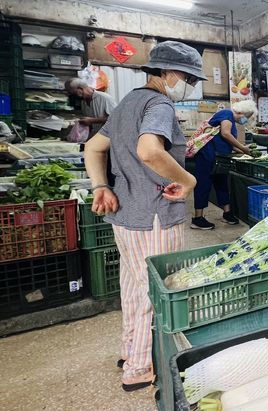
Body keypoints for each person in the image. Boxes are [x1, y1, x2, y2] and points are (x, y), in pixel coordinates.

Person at [84, 41, 204, 392]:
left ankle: (130, 351)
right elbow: (148, 150)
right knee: (158, 290)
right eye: (189, 79)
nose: (190, 87)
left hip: (125, 215)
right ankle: (138, 369)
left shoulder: (128, 102)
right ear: (170, 73)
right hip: (154, 214)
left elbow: (93, 147)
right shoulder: (159, 103)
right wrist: (188, 179)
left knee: (134, 287)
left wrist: (100, 187)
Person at [191, 100, 256, 230]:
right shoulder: (226, 113)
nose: (245, 120)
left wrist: (247, 150)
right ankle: (198, 218)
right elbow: (225, 134)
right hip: (207, 155)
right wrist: (243, 148)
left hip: (219, 157)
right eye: (246, 117)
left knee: (222, 183)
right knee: (203, 184)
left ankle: (227, 213)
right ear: (240, 112)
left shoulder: (231, 120)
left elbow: (230, 144)